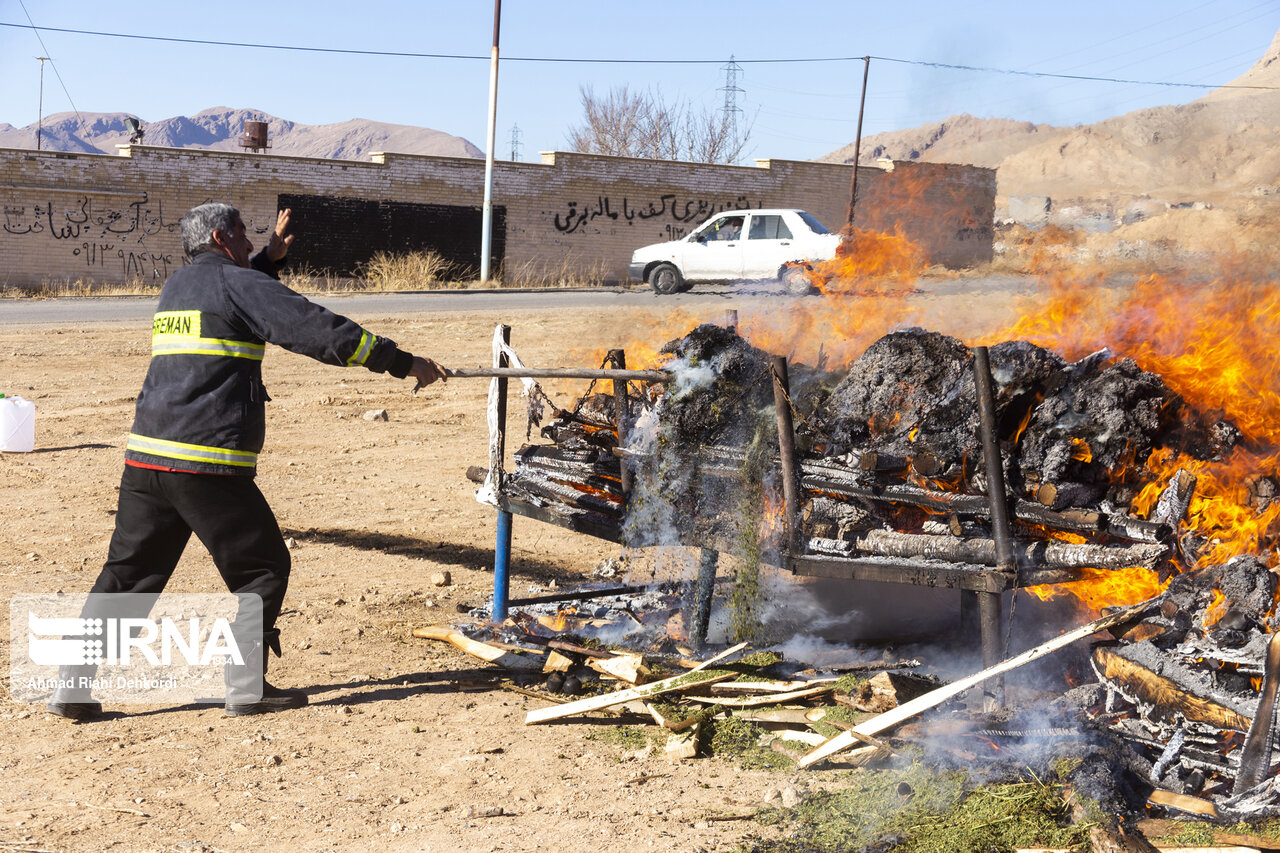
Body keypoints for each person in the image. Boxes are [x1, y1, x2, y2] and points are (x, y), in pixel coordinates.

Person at [47, 202, 447, 720]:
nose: (249, 240)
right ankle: (245, 687)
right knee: (262, 569)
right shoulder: (235, 283)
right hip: (204, 462)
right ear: (220, 237)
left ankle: (72, 686)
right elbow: (316, 329)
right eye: (242, 233)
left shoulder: (178, 286)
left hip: (148, 460)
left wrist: (267, 260)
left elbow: (232, 295)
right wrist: (402, 362)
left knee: (127, 576)